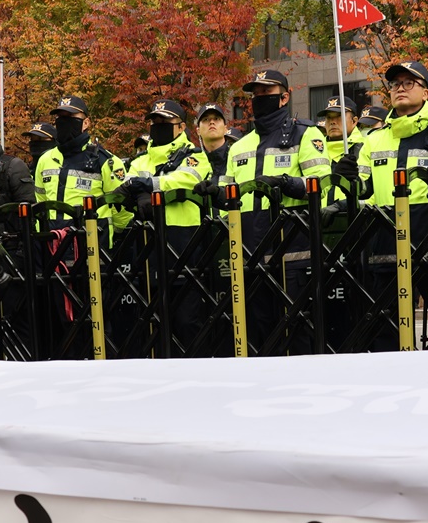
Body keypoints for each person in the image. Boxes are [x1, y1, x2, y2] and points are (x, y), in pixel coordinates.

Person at [332, 62, 428, 348]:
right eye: (395, 84)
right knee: (384, 330)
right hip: (385, 239)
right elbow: (362, 193)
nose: (399, 88)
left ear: (426, 91)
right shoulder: (374, 139)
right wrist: (345, 180)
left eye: (409, 83)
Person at [206, 69, 330, 354]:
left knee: (297, 329)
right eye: (256, 94)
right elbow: (228, 194)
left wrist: (289, 184)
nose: (260, 98)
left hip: (292, 252)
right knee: (259, 330)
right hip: (249, 251)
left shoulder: (306, 133)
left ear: (285, 97)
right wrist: (215, 194)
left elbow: (322, 183)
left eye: (267, 92)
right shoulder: (241, 145)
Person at [33, 94, 130, 355]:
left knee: (97, 318)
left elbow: (122, 208)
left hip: (93, 252)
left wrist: (112, 240)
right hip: (55, 253)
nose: (63, 122)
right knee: (65, 320)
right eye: (60, 118)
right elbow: (39, 202)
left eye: (70, 118)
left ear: (86, 123)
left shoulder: (105, 160)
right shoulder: (45, 160)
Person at [119, 99, 211, 352]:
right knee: (151, 322)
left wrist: (150, 186)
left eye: (164, 121)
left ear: (181, 127)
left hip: (185, 243)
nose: (157, 125)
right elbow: (128, 183)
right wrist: (139, 193)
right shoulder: (140, 160)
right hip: (148, 245)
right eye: (154, 121)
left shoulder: (195, 154)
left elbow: (187, 178)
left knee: (187, 321)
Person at [317, 95, 361, 162]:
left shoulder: (366, 147)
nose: (333, 122)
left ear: (354, 121)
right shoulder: (316, 149)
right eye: (328, 117)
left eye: (339, 116)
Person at [195, 102, 231, 182]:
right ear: (198, 131)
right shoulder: (192, 160)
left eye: (216, 119)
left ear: (226, 129)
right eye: (206, 119)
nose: (211, 122)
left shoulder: (235, 156)